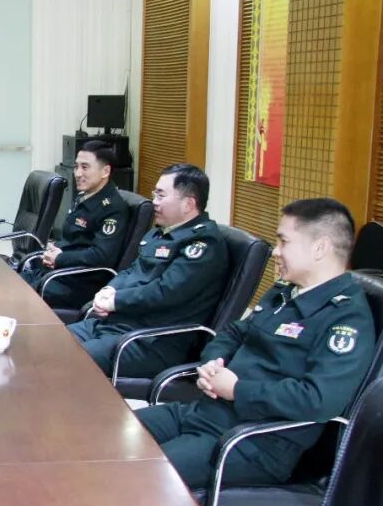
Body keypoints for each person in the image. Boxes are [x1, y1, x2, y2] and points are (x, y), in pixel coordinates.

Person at [136, 199, 375, 489]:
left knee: (138, 474)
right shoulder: (285, 291)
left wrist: (237, 389)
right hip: (206, 411)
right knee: (112, 436)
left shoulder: (347, 318)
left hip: (253, 442)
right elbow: (235, 332)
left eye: (284, 242)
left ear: (319, 248)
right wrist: (213, 363)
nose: (276, 251)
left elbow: (318, 399)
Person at [67, 163, 229, 380]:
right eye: (155, 194)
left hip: (152, 340)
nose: (155, 202)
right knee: (50, 343)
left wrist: (117, 301)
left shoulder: (203, 243)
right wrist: (109, 290)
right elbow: (131, 270)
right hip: (117, 325)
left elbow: (166, 291)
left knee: (67, 360)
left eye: (161, 195)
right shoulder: (160, 233)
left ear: (188, 204)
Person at [20, 141, 129, 308]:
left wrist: (60, 258)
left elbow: (102, 256)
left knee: (15, 296)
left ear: (105, 171)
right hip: (58, 274)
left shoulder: (112, 208)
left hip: (78, 284)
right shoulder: (84, 196)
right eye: (76, 167)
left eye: (85, 167)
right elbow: (74, 240)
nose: (78, 173)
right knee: (8, 281)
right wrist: (55, 249)